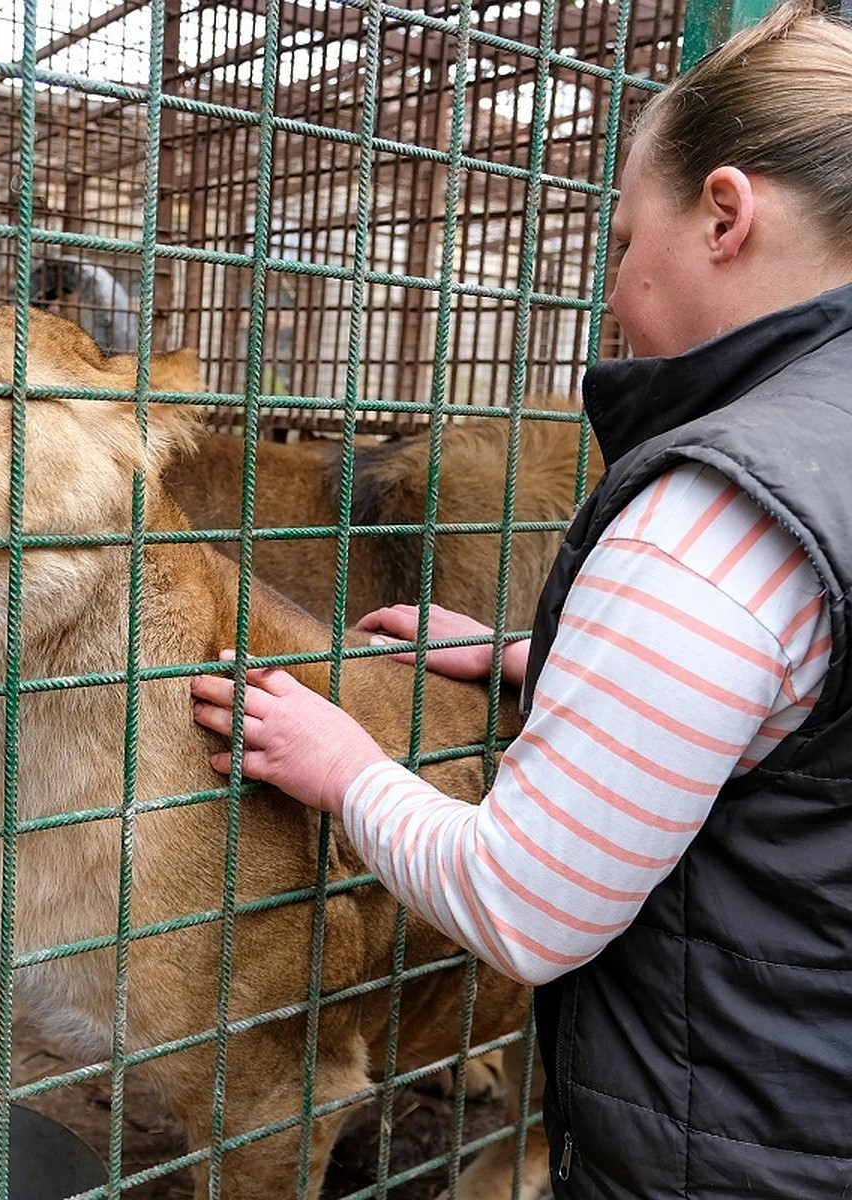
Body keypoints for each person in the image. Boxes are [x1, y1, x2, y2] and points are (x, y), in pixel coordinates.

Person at [190, 3, 852, 1194]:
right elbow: (800, 724)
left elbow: (526, 906)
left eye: (619, 240)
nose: (611, 287)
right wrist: (543, 658)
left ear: (723, 214)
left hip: (734, 1139)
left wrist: (343, 765)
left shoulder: (717, 513)